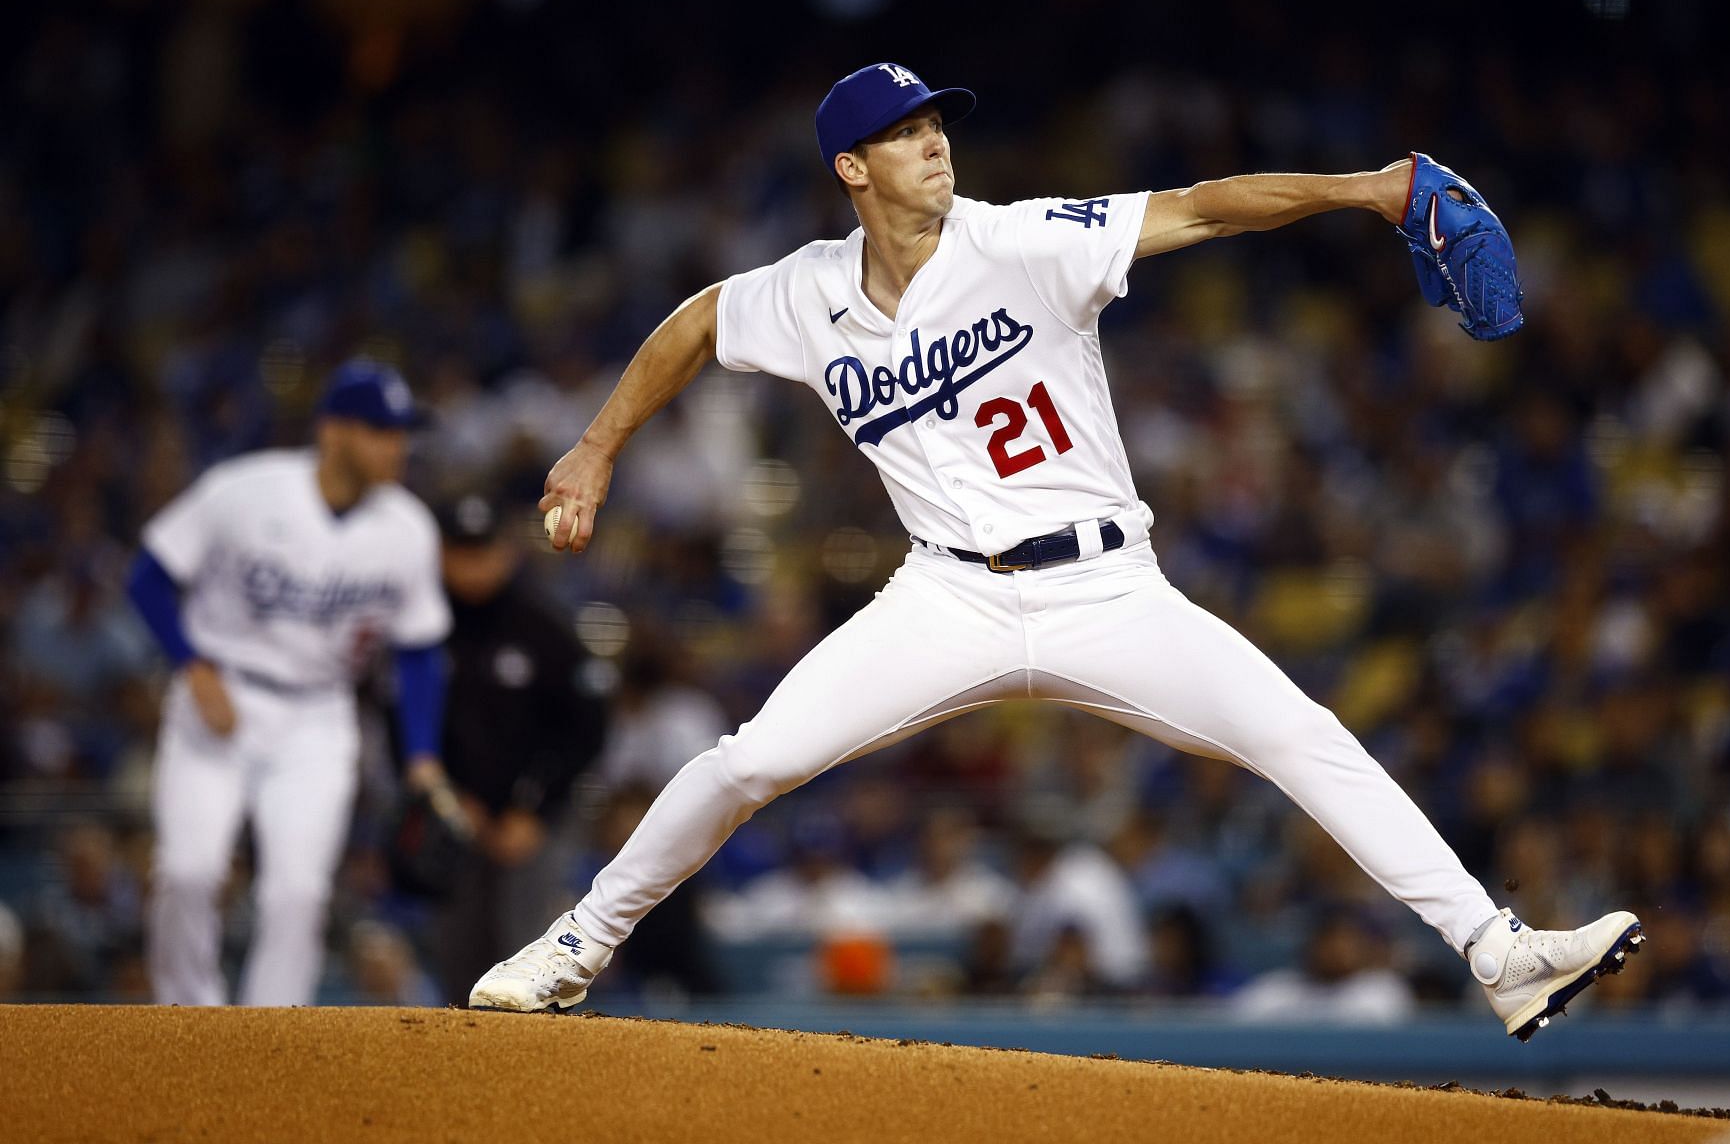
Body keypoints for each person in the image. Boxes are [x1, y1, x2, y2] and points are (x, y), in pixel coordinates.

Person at [469, 62, 1643, 1040]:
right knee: (746, 762)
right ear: (851, 168)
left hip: (1107, 587)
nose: (934, 144)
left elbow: (1206, 203)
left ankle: (1501, 951)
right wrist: (596, 444)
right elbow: (692, 324)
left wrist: (1374, 188)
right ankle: (577, 942)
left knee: (1301, 732)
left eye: (936, 123)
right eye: (904, 132)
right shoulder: (807, 291)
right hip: (943, 596)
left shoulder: (1025, 241)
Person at [126, 359, 453, 1005]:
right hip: (219, 693)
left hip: (319, 715)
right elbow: (149, 576)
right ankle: (185, 1018)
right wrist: (192, 663)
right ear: (333, 432)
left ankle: (272, 1034)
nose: (398, 446)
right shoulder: (244, 491)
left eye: (402, 431)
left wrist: (421, 757)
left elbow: (419, 651)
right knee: (189, 872)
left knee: (297, 891)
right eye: (381, 430)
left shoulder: (408, 528)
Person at [428, 492, 606, 999]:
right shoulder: (425, 626)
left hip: (533, 820)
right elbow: (401, 718)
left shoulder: (543, 628)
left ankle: (534, 1068)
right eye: (461, 550)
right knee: (458, 950)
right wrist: (443, 795)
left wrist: (540, 809)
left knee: (528, 948)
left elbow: (589, 727)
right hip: (455, 814)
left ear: (507, 551)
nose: (473, 564)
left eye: (483, 550)